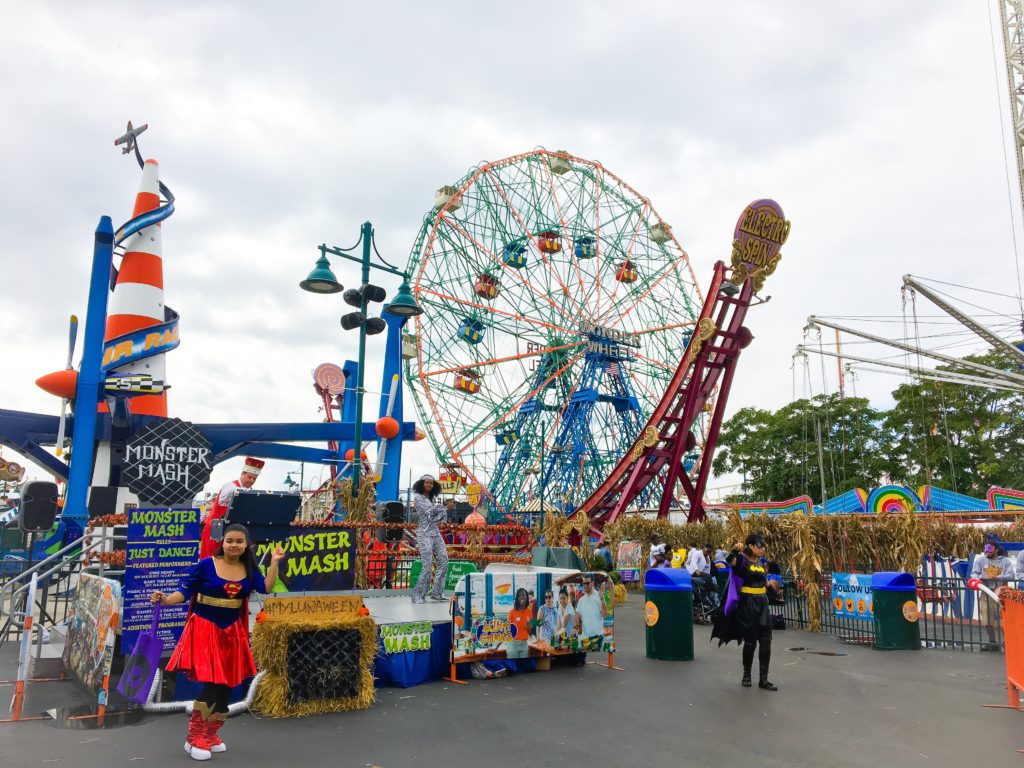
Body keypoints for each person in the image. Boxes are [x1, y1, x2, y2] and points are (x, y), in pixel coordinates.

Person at [152, 524, 284, 761]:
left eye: (239, 541)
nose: (234, 545)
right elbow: (184, 591)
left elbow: (265, 588)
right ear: (222, 543)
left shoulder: (248, 568)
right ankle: (194, 737)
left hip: (231, 633)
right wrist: (165, 600)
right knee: (213, 683)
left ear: (246, 545)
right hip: (205, 629)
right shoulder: (206, 565)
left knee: (226, 685)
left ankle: (210, 734)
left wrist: (274, 561)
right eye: (230, 540)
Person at [711, 533, 778, 691]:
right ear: (751, 546)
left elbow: (765, 581)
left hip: (762, 603)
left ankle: (764, 679)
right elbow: (729, 561)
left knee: (766, 641)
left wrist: (772, 592)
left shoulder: (761, 563)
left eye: (763, 545)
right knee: (750, 642)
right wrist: (734, 550)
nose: (763, 548)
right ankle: (746, 675)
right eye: (760, 545)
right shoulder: (741, 560)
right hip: (747, 604)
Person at [199, 457, 264, 559]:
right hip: (215, 527)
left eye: (254, 479)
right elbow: (225, 497)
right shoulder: (230, 486)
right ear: (242, 474)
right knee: (212, 559)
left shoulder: (247, 490)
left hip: (231, 530)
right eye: (249, 477)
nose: (251, 480)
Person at [411, 474, 453, 604]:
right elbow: (431, 513)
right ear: (421, 483)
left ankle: (437, 593)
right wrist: (444, 508)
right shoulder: (418, 497)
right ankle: (418, 595)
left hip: (435, 533)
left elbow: (439, 518)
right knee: (427, 565)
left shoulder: (432, 499)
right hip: (424, 534)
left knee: (444, 561)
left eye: (431, 483)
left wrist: (441, 511)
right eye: (426, 482)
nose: (429, 485)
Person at [971, 542, 1015, 650]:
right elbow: (974, 573)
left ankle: (1007, 643)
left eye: (990, 550)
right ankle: (992, 643)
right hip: (986, 592)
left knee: (1003, 620)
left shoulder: (1005, 561)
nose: (987, 552)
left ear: (996, 550)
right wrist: (977, 580)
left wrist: (998, 577)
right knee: (986, 619)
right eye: (986, 550)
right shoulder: (980, 560)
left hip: (1001, 593)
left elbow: (1011, 575)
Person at [573, 574, 609, 650]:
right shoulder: (581, 600)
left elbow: (605, 615)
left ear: (593, 583)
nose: (585, 585)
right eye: (584, 583)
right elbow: (576, 616)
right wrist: (575, 627)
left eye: (587, 583)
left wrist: (602, 599)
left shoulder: (599, 596)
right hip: (584, 639)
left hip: (596, 638)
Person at [506, 588, 532, 658]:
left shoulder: (529, 612)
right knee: (513, 668)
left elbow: (529, 632)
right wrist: (496, 647)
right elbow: (506, 631)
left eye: (523, 595)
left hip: (524, 645)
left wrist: (529, 626)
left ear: (526, 597)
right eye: (519, 596)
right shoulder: (512, 612)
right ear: (517, 598)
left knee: (523, 668)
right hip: (513, 645)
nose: (521, 597)